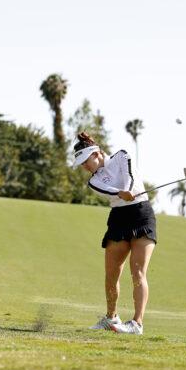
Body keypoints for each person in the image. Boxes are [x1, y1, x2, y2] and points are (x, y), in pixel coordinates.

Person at [73, 132, 156, 335]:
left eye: (86, 161)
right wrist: (121, 193)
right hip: (119, 218)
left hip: (141, 214)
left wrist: (127, 191)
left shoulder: (122, 155)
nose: (85, 166)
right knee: (111, 274)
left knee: (137, 272)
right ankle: (111, 317)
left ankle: (136, 324)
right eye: (82, 164)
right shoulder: (94, 181)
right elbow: (109, 190)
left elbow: (130, 176)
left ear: (97, 153)